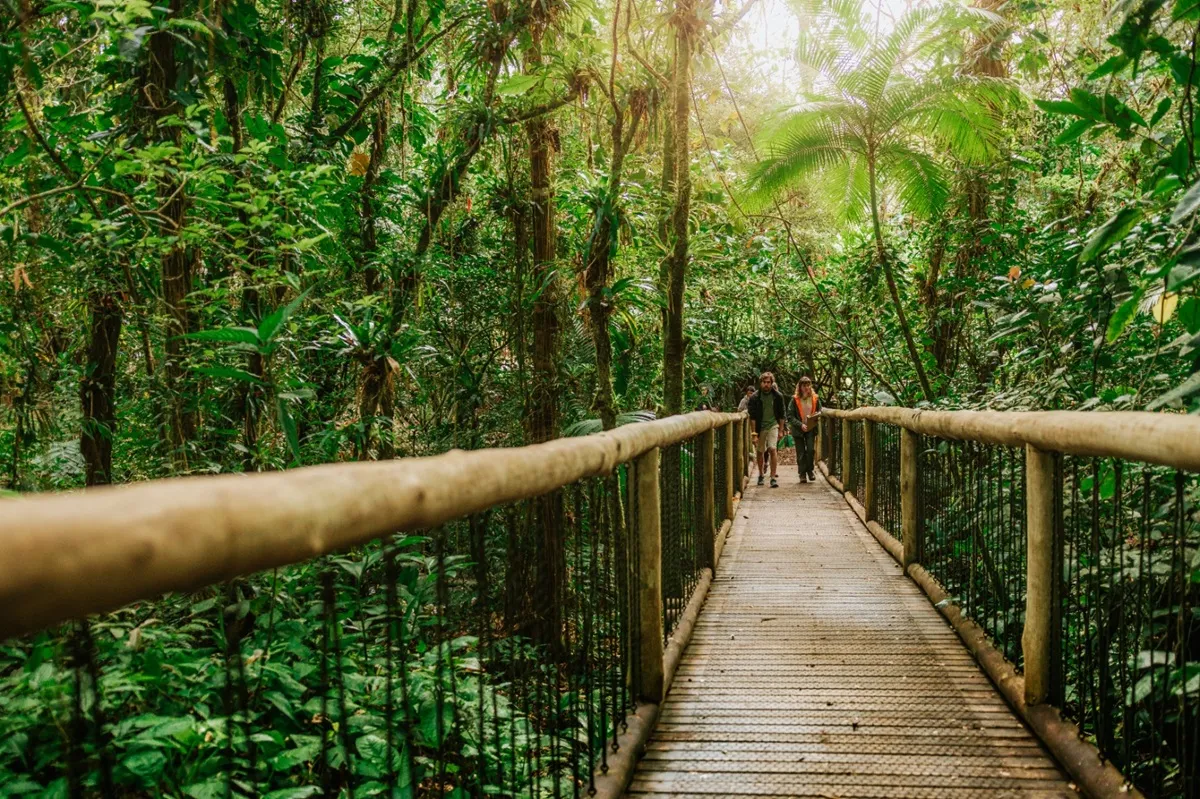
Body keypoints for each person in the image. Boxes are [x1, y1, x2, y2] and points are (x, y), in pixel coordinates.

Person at [747, 371, 786, 488]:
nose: (766, 385)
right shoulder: (754, 397)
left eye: (768, 382)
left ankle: (773, 477)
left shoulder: (778, 396)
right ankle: (761, 474)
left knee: (772, 449)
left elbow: (781, 414)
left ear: (772, 383)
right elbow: (752, 417)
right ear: (761, 383)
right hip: (760, 427)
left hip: (773, 425)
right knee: (760, 451)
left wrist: (781, 430)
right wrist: (754, 434)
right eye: (764, 382)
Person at [787, 376, 822, 483]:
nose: (806, 388)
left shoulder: (815, 398)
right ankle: (802, 473)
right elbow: (790, 416)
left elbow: (820, 410)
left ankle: (810, 470)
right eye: (804, 385)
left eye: (808, 385)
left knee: (811, 450)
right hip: (799, 429)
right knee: (801, 452)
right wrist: (800, 424)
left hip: (811, 428)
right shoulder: (795, 399)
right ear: (800, 387)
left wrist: (816, 417)